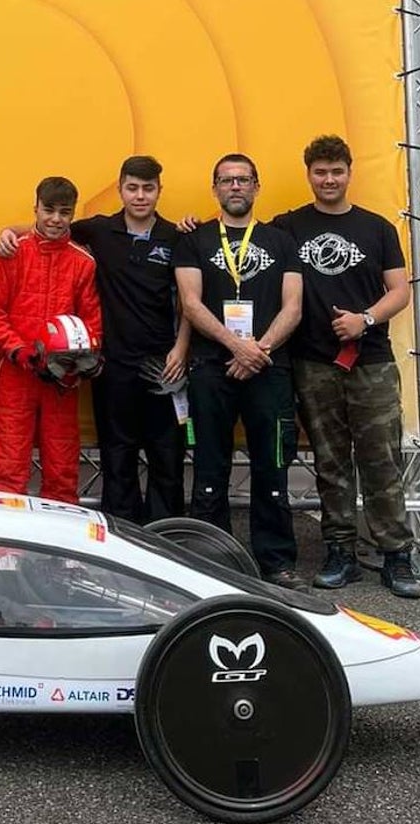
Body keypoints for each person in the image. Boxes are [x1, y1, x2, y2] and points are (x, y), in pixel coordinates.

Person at [0, 156, 190, 524]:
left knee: (167, 455)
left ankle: (166, 540)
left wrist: (181, 350)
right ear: (120, 189)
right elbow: (52, 227)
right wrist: (10, 231)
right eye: (132, 187)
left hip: (163, 363)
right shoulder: (99, 231)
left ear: (159, 191)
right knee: (118, 455)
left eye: (148, 188)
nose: (140, 196)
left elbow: (188, 301)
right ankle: (122, 535)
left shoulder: (177, 237)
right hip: (113, 365)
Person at [270, 135, 420, 598]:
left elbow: (400, 290)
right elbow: (239, 235)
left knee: (381, 460)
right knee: (331, 463)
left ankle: (396, 554)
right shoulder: (288, 227)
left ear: (349, 173)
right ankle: (341, 552)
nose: (329, 179)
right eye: (320, 171)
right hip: (314, 365)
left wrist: (365, 319)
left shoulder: (377, 228)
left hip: (370, 363)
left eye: (336, 171)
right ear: (309, 174)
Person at [173, 153, 305, 589]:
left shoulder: (281, 240)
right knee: (210, 463)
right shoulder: (194, 240)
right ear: (214, 188)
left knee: (273, 464)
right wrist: (235, 346)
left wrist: (259, 349)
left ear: (256, 186)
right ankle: (212, 558)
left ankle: (276, 560)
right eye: (227, 180)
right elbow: (190, 303)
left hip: (269, 367)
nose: (235, 187)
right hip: (212, 367)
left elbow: (294, 306)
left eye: (243, 179)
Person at [0, 176, 102, 504]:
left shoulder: (83, 262)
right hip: (15, 375)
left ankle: (61, 551)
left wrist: (85, 359)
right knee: (9, 469)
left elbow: (92, 323)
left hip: (61, 380)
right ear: (35, 208)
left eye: (64, 212)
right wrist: (23, 354)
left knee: (63, 471)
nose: (55, 219)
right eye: (48, 210)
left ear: (73, 214)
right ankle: (3, 552)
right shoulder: (11, 252)